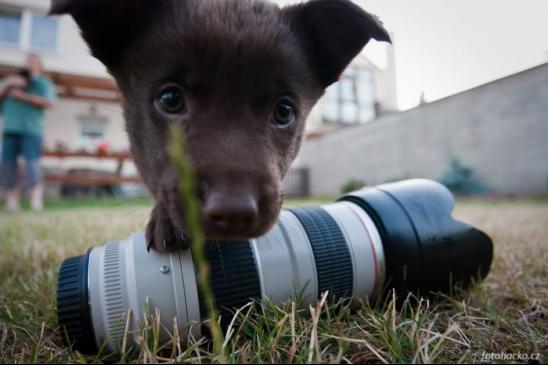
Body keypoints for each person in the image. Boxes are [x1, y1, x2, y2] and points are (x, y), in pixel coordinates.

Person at [0, 54, 56, 212]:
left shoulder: (42, 84)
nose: (30, 64)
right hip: (10, 130)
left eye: (34, 61)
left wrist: (23, 96)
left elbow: (49, 102)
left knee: (32, 165)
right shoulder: (11, 83)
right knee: (7, 165)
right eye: (28, 61)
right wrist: (6, 84)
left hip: (31, 130)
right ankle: (11, 202)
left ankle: (35, 201)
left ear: (40, 65)